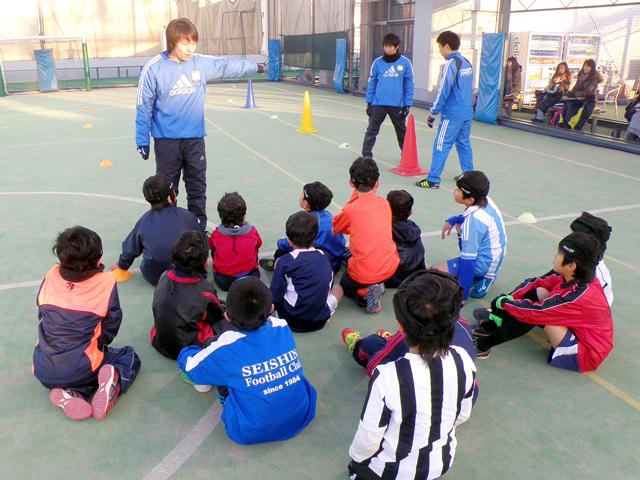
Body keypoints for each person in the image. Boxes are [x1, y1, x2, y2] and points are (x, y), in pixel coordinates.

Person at [346, 270, 477, 480]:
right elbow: (462, 415)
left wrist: (355, 460)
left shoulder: (388, 376)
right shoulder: (463, 360)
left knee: (357, 468)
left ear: (401, 327)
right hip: (439, 465)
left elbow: (367, 440)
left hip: (390, 472)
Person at [136, 18, 265, 228]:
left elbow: (225, 65)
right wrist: (142, 139)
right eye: (184, 43)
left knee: (197, 187)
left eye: (193, 42)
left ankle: (197, 228)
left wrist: (255, 66)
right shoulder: (154, 68)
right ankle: (169, 229)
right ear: (172, 42)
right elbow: (143, 106)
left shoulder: (200, 63)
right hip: (166, 141)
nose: (190, 48)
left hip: (195, 139)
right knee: (167, 190)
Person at [177, 277, 317, 445]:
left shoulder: (226, 346)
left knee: (219, 367)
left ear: (227, 316)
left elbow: (191, 367)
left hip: (250, 430)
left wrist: (189, 350)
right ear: (272, 309)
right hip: (302, 414)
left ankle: (224, 395)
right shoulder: (282, 326)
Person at [33, 226, 141, 421]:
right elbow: (112, 323)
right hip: (82, 364)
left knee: (75, 367)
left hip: (43, 367)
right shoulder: (105, 282)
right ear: (98, 259)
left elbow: (41, 312)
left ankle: (71, 392)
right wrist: (99, 345)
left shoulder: (51, 274)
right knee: (128, 356)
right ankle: (112, 378)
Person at [473, 232, 613, 373]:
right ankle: (491, 326)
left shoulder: (578, 296)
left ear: (572, 266)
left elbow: (536, 313)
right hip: (578, 333)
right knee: (540, 292)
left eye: (560, 253)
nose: (555, 256)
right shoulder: (575, 278)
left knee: (538, 315)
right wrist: (510, 299)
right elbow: (536, 283)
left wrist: (504, 305)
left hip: (585, 354)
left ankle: (483, 345)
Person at [333, 157, 400, 313]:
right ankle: (376, 284)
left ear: (351, 184)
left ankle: (365, 294)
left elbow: (335, 228)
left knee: (344, 283)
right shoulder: (384, 203)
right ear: (378, 183)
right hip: (390, 266)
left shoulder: (351, 209)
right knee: (356, 258)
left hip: (365, 273)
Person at [113, 174, 201, 285]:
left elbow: (130, 249)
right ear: (170, 198)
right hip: (188, 273)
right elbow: (201, 239)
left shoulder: (144, 221)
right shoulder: (187, 216)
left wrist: (121, 265)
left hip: (155, 277)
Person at [151, 231, 225, 359]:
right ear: (206, 261)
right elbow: (217, 317)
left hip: (159, 341)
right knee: (227, 324)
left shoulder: (164, 276)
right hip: (189, 349)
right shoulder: (205, 292)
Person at [435, 171, 506, 300]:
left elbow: (468, 262)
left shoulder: (473, 222)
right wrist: (454, 219)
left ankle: (484, 277)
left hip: (483, 264)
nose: (454, 191)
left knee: (434, 275)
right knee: (459, 225)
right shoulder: (485, 200)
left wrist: (462, 296)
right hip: (494, 257)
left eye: (458, 190)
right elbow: (467, 217)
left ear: (470, 199)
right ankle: (484, 275)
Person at [417, 31, 474, 189]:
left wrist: (433, 112)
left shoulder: (451, 64)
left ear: (447, 46)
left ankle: (433, 179)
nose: (440, 51)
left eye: (440, 48)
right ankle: (469, 175)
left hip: (452, 114)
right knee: (463, 143)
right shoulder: (466, 62)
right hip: (466, 113)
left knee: (441, 144)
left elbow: (443, 90)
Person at [270, 211, 344, 332]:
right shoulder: (325, 256)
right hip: (320, 320)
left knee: (279, 270)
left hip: (291, 320)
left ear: (288, 240)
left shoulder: (285, 262)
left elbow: (276, 295)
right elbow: (328, 286)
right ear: (315, 237)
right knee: (338, 288)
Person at [259, 181, 346, 273]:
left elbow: (294, 243)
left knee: (281, 252)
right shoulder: (329, 216)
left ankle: (279, 265)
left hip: (321, 268)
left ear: (306, 204)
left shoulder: (307, 223)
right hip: (336, 262)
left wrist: (281, 242)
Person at [362, 33, 414, 158]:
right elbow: (372, 82)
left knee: (402, 132)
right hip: (378, 104)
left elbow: (409, 84)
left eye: (391, 46)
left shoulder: (405, 63)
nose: (388, 49)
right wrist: (369, 102)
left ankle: (406, 155)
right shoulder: (377, 63)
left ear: (397, 47)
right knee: (371, 131)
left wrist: (407, 104)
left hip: (397, 105)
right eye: (386, 46)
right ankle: (366, 155)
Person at [209, 192, 262, 291]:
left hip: (224, 282)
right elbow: (259, 244)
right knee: (254, 246)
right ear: (244, 215)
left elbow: (211, 246)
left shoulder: (217, 234)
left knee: (215, 248)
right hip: (250, 278)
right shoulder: (252, 231)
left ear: (221, 216)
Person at [384, 190, 426, 288]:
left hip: (392, 278)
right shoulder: (414, 228)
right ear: (410, 212)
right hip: (414, 275)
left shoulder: (384, 228)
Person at [560, 59, 603, 131]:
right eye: (585, 66)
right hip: (578, 99)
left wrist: (575, 95)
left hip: (588, 101)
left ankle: (571, 127)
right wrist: (568, 95)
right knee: (568, 104)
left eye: (588, 67)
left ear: (592, 68)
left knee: (578, 110)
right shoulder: (581, 76)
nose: (585, 68)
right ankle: (565, 124)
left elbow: (588, 92)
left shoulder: (594, 78)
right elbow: (575, 88)